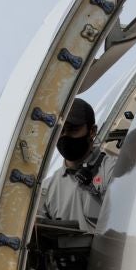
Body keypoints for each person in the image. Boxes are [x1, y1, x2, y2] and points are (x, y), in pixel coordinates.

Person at [38, 98, 105, 231]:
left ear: (92, 131)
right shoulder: (47, 188)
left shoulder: (112, 171)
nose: (65, 136)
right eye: (60, 131)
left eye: (73, 129)